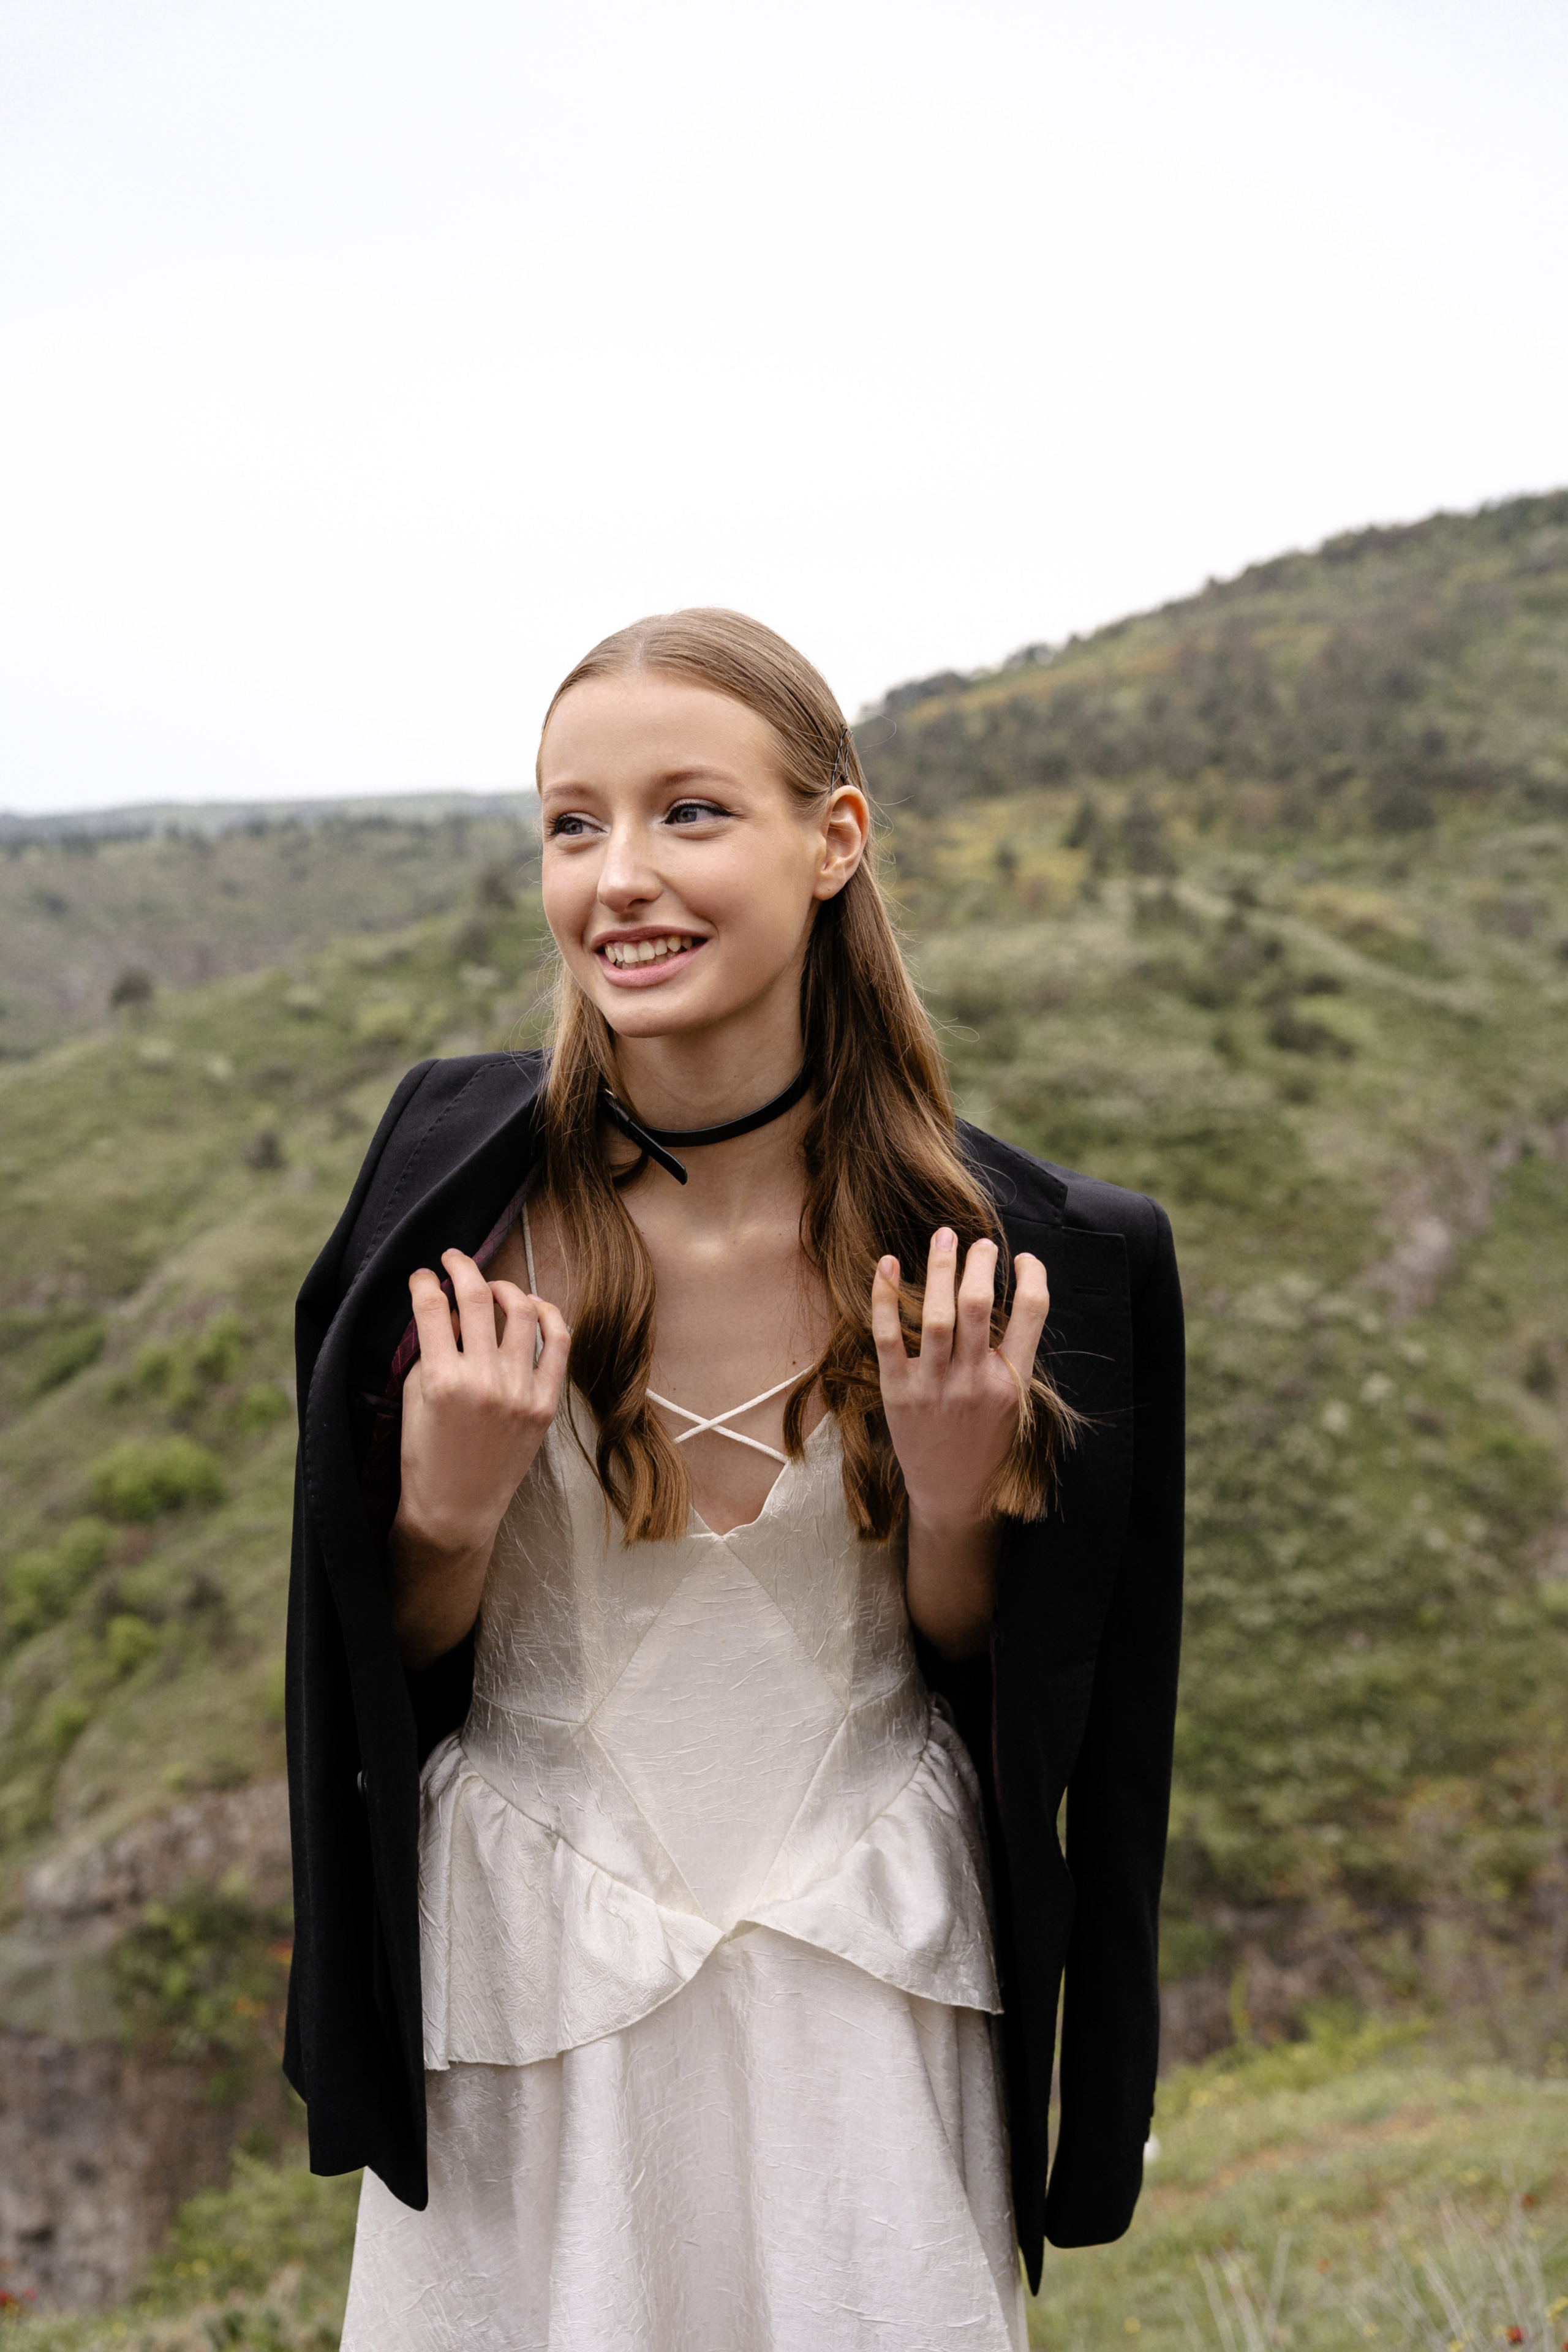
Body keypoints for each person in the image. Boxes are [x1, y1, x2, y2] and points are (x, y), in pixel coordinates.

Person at [284, 610, 1185, 2352]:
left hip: (869, 1971)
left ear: (833, 839)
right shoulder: (440, 1205)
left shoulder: (1022, 1255)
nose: (620, 876)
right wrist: (449, 1511)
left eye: (690, 813)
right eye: (572, 822)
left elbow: (1020, 1683)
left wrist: (951, 1496)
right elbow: (366, 1669)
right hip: (534, 1985)